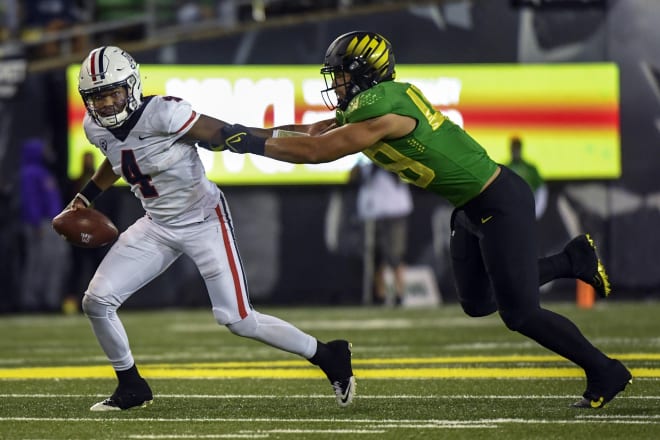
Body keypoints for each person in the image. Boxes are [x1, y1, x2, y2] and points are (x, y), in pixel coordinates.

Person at [217, 31, 631, 409]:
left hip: (499, 201)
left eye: (341, 74)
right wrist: (239, 133)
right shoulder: (371, 103)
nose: (336, 83)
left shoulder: (378, 106)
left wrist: (248, 144)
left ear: (364, 74)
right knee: (477, 302)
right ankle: (570, 261)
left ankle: (604, 370)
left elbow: (318, 152)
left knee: (520, 314)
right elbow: (308, 134)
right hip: (471, 208)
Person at [61, 46, 354, 411]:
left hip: (203, 220)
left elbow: (231, 134)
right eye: (97, 97)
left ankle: (329, 356)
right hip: (157, 224)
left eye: (112, 93)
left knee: (238, 319)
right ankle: (131, 386)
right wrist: (85, 198)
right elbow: (118, 160)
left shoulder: (165, 113)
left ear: (132, 86)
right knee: (97, 301)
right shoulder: (95, 127)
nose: (105, 104)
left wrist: (300, 134)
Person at [349, 161, 412, 305]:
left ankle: (399, 294)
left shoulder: (394, 160)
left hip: (395, 213)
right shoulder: (366, 164)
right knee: (376, 257)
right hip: (372, 215)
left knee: (395, 255)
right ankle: (380, 295)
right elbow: (351, 178)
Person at [19, 138, 71, 312]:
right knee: (39, 263)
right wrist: (36, 223)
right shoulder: (30, 173)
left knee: (54, 262)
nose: (47, 153)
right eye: (44, 150)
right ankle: (32, 301)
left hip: (52, 223)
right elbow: (30, 200)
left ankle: (50, 299)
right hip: (41, 224)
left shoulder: (43, 172)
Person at [506, 136, 547, 219]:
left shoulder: (531, 169)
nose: (515, 150)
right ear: (510, 149)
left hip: (528, 210)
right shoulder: (504, 169)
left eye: (517, 148)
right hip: (511, 213)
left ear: (521, 148)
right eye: (514, 148)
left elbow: (542, 190)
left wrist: (537, 211)